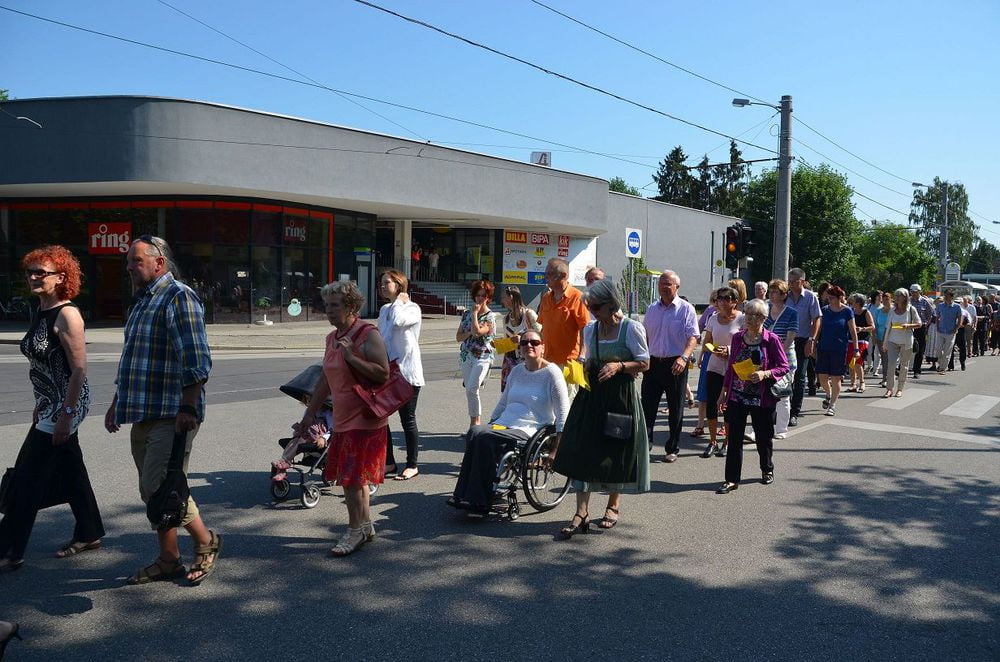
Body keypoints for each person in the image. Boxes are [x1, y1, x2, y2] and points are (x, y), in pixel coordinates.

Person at [104, 235, 218, 585]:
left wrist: (188, 406)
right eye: (128, 261)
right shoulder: (141, 302)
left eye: (136, 261)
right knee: (152, 489)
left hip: (173, 412)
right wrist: (117, 403)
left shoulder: (178, 296)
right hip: (143, 410)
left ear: (159, 263)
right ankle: (169, 559)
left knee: (160, 485)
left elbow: (197, 358)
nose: (129, 267)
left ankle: (205, 542)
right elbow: (133, 358)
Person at [0, 246, 104, 573]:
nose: (33, 277)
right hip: (49, 402)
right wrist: (40, 403)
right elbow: (42, 366)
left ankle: (9, 549)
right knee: (71, 469)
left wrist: (65, 415)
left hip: (68, 402)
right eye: (30, 271)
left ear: (61, 277)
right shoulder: (41, 310)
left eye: (40, 272)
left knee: (27, 478)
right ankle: (89, 532)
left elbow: (78, 371)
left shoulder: (67, 314)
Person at [552, 279, 650, 535]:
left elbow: (644, 363)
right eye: (590, 307)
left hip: (620, 397)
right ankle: (581, 512)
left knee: (615, 450)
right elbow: (589, 358)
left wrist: (619, 366)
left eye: (596, 307)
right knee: (583, 450)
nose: (592, 312)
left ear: (611, 304)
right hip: (592, 396)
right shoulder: (590, 330)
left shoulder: (631, 328)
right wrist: (584, 366)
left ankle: (613, 505)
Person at [300, 281, 390, 557]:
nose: (328, 310)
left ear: (351, 307)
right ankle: (365, 526)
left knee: (351, 479)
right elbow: (325, 380)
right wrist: (310, 413)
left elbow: (383, 373)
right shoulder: (332, 338)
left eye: (335, 305)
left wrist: (351, 356)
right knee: (355, 478)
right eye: (326, 305)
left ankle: (354, 531)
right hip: (342, 417)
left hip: (365, 417)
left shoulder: (367, 334)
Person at [447, 330, 568, 513]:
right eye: (524, 342)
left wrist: (556, 448)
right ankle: (464, 493)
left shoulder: (552, 373)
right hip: (505, 424)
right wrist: (490, 423)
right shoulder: (517, 371)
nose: (529, 345)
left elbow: (563, 413)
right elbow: (503, 403)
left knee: (483, 436)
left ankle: (478, 499)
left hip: (529, 428)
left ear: (543, 347)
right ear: (519, 348)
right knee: (475, 432)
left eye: (534, 342)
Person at [715, 299, 790, 494]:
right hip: (737, 396)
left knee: (763, 437)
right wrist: (724, 392)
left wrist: (765, 373)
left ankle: (767, 469)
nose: (750, 318)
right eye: (748, 313)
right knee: (734, 439)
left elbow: (784, 366)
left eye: (755, 315)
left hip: (762, 398)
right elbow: (731, 367)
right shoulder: (737, 338)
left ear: (764, 318)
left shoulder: (771, 339)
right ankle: (731, 479)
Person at [642, 271, 699, 463]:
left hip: (675, 363)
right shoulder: (652, 309)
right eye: (661, 283)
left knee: (675, 409)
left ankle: (672, 448)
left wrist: (684, 357)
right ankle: (645, 446)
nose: (663, 287)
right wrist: (642, 358)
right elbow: (645, 336)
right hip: (652, 363)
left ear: (677, 287)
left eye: (668, 284)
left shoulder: (686, 309)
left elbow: (693, 337)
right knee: (647, 408)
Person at [378, 269, 424, 481]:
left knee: (408, 420)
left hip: (407, 372)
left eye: (387, 282)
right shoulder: (384, 309)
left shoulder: (412, 308)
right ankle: (389, 462)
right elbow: (383, 337)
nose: (382, 286)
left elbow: (398, 321)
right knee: (380, 417)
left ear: (399, 285)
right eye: (381, 282)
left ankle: (412, 465)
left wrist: (399, 302)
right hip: (388, 372)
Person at [698, 286, 743, 457]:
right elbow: (707, 342)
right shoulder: (713, 318)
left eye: (726, 298)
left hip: (734, 367)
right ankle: (712, 441)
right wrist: (711, 351)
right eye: (719, 298)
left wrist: (729, 350)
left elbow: (745, 342)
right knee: (711, 403)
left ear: (735, 301)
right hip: (715, 365)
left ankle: (727, 442)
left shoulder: (742, 319)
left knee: (729, 405)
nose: (722, 301)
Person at [538, 258, 590, 399]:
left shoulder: (577, 297)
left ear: (563, 275)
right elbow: (543, 328)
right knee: (547, 401)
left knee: (566, 402)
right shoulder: (546, 298)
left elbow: (585, 328)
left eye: (549, 274)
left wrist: (582, 355)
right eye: (545, 273)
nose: (545, 277)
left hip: (569, 362)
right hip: (547, 360)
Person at [813, 285, 859, 418]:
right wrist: (813, 343)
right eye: (828, 297)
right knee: (822, 377)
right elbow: (819, 329)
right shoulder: (825, 310)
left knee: (836, 377)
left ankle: (832, 405)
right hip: (823, 347)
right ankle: (828, 394)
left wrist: (856, 349)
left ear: (839, 298)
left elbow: (853, 331)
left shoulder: (847, 311)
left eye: (832, 297)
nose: (829, 300)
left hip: (839, 349)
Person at [456, 280, 497, 428]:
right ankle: (473, 421)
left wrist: (474, 314)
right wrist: (469, 331)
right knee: (469, 389)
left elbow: (477, 332)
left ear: (488, 297)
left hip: (482, 356)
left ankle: (475, 423)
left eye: (483, 296)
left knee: (472, 388)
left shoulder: (490, 316)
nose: (479, 299)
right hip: (466, 356)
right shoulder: (466, 314)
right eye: (477, 295)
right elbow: (458, 337)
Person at [787, 268, 821, 427]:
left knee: (800, 377)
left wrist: (811, 340)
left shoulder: (810, 297)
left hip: (803, 341)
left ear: (802, 281)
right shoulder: (785, 296)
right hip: (786, 340)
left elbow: (817, 319)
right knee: (784, 376)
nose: (791, 284)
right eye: (789, 281)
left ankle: (794, 412)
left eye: (794, 281)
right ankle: (784, 409)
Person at [764, 279, 798, 439]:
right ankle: (762, 428)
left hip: (785, 359)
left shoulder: (791, 313)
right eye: (770, 291)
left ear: (784, 295)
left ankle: (781, 429)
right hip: (766, 357)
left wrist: (778, 354)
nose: (771, 294)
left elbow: (790, 337)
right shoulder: (765, 310)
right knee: (765, 394)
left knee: (782, 394)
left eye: (775, 292)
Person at [499, 285, 541, 391]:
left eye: (504, 297)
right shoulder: (506, 319)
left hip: (528, 361)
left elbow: (541, 334)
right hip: (511, 362)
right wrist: (500, 344)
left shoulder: (529, 314)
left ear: (511, 297)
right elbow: (508, 343)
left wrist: (523, 338)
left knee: (527, 391)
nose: (502, 300)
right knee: (510, 393)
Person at [882, 288, 922, 397]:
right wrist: (885, 342)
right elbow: (887, 326)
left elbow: (919, 323)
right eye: (896, 295)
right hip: (892, 340)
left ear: (906, 297)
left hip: (906, 341)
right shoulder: (892, 310)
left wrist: (908, 325)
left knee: (904, 365)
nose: (897, 297)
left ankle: (900, 389)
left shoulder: (911, 309)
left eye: (900, 295)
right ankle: (889, 389)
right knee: (891, 365)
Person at [691, 289, 719, 438]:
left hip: (727, 358)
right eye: (714, 300)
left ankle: (724, 426)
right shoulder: (710, 314)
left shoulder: (737, 317)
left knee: (724, 393)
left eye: (721, 300)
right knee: (703, 392)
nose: (717, 304)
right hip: (710, 355)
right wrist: (701, 354)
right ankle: (700, 424)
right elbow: (701, 331)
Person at [847, 294, 875, 393]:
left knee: (858, 362)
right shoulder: (850, 311)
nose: (852, 302)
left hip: (862, 340)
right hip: (850, 340)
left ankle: (862, 382)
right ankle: (853, 384)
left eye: (854, 300)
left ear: (858, 302)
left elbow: (872, 326)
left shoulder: (866, 312)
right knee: (851, 363)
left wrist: (862, 329)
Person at [933, 290, 962, 375]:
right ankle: (941, 363)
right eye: (945, 295)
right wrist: (937, 327)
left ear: (951, 297)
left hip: (951, 332)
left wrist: (956, 329)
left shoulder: (957, 307)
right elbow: (937, 317)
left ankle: (943, 368)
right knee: (938, 349)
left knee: (947, 352)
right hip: (940, 331)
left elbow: (960, 319)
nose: (945, 297)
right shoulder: (940, 306)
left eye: (947, 295)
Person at [909, 284, 934, 377]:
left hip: (921, 328)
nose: (913, 294)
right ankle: (903, 368)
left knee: (919, 349)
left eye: (915, 292)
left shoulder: (925, 302)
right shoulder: (908, 301)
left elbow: (931, 314)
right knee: (907, 348)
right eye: (912, 292)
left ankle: (916, 370)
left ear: (919, 292)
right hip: (909, 327)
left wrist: (926, 324)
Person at [871, 291, 892, 386]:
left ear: (891, 299)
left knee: (890, 358)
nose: (885, 301)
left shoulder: (893, 311)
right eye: (883, 299)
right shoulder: (879, 311)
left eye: (887, 299)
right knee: (884, 358)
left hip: (891, 338)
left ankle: (888, 377)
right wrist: (874, 336)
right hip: (880, 338)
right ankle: (885, 377)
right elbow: (874, 324)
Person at [948, 296, 974, 372]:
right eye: (956, 302)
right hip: (952, 330)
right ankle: (950, 365)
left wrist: (963, 325)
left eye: (959, 302)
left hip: (961, 331)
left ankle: (962, 362)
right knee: (950, 348)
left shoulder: (965, 312)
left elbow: (969, 322)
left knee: (962, 348)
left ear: (962, 303)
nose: (958, 304)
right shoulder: (951, 311)